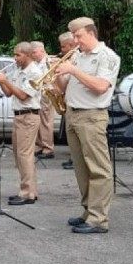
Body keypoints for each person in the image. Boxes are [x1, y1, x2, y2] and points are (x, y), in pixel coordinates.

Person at [55, 17, 120, 234]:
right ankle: (88, 211)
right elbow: (63, 88)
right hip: (73, 115)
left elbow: (101, 86)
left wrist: (73, 71)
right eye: (73, 36)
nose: (75, 40)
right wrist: (57, 73)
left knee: (98, 169)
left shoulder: (107, 56)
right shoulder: (78, 56)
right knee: (81, 169)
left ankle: (99, 219)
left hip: (92, 116)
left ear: (91, 33)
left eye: (78, 36)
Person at [0, 43, 42, 205]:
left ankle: (27, 193)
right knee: (20, 155)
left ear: (27, 55)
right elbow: (9, 93)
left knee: (24, 155)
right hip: (19, 116)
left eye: (18, 55)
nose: (15, 58)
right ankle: (29, 190)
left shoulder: (35, 72)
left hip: (29, 116)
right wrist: (1, 81)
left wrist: (5, 82)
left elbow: (23, 95)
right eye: (14, 55)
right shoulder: (18, 70)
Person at [30, 41, 54, 160]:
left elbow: (52, 79)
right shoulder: (35, 63)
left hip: (46, 94)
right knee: (38, 121)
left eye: (34, 52)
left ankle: (48, 148)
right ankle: (39, 145)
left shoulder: (49, 62)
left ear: (42, 50)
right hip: (36, 95)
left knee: (46, 121)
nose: (32, 54)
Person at [57, 31, 77, 170]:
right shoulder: (70, 58)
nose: (61, 50)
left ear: (71, 45)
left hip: (79, 103)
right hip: (70, 100)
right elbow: (63, 85)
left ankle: (75, 159)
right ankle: (74, 157)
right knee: (72, 136)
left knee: (77, 135)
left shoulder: (76, 58)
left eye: (63, 47)